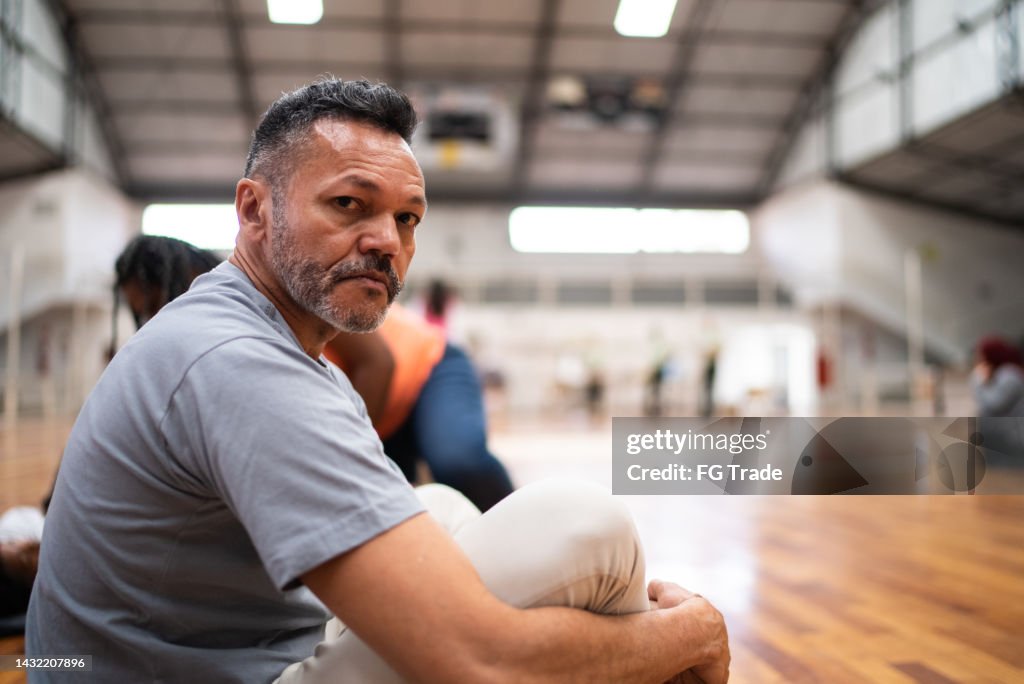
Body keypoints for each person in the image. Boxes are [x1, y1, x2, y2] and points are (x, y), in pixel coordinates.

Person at [27, 79, 729, 683]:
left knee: (443, 500)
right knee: (589, 524)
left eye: (407, 218)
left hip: (218, 651)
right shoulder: (240, 362)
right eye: (348, 205)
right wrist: (687, 636)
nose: (387, 241)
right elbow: (480, 663)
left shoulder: (269, 343)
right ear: (253, 210)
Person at [325, 304, 514, 511]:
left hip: (426, 369)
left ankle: (520, 524)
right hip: (380, 418)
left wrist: (356, 454)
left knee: (458, 460)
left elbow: (378, 362)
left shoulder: (295, 294)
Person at [972, 336, 1024, 460]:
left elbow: (994, 404)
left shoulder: (1009, 375)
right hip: (1000, 440)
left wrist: (978, 380)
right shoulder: (1000, 373)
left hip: (1010, 440)